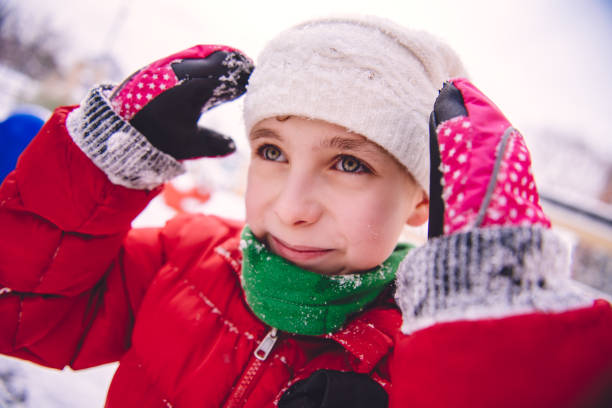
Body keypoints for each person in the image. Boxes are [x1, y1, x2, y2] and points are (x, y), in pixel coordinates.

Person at [0, 15, 610, 408]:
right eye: (272, 151)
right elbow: (22, 311)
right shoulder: (183, 258)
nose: (291, 209)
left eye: (350, 163)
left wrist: (492, 340)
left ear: (423, 197)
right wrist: (99, 165)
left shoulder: (427, 360)